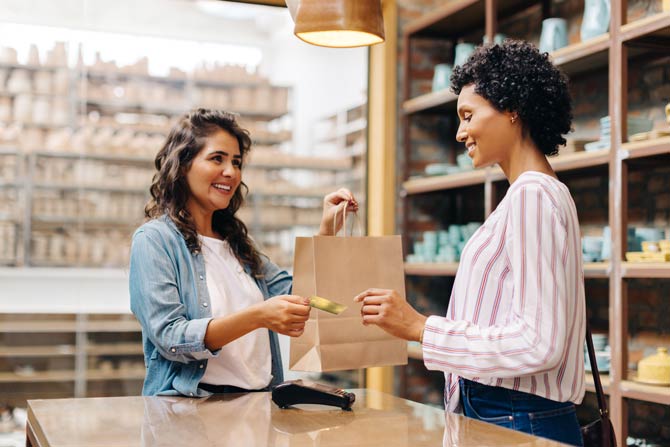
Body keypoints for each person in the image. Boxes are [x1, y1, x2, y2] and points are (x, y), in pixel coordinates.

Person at [355, 40, 585, 446]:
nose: (460, 132)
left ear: (513, 109)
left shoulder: (532, 195)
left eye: (468, 115)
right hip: (509, 412)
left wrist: (421, 328)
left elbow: (538, 343)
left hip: (514, 415)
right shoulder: (534, 194)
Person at [130, 108, 357, 397]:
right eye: (217, 158)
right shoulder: (154, 241)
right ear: (183, 165)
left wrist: (328, 230)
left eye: (236, 162)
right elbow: (170, 338)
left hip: (257, 404)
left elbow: (304, 296)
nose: (231, 172)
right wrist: (258, 316)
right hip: (193, 411)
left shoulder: (236, 243)